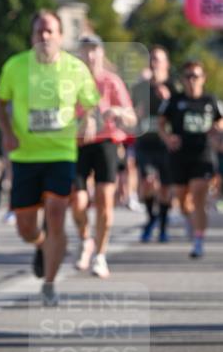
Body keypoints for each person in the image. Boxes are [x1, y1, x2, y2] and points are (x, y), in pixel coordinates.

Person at [0, 10, 99, 306]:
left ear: (60, 36)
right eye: (39, 31)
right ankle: (40, 245)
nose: (44, 36)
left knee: (56, 213)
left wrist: (89, 120)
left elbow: (91, 104)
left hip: (61, 153)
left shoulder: (75, 69)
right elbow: (0, 104)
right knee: (26, 227)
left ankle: (50, 285)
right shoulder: (15, 66)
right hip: (26, 155)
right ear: (32, 36)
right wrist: (6, 132)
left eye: (50, 31)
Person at [70, 35, 137, 278]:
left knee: (104, 200)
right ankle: (85, 238)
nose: (89, 56)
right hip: (78, 144)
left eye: (94, 50)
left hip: (106, 142)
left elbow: (132, 118)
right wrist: (81, 121)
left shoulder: (112, 81)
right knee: (77, 201)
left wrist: (118, 112)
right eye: (85, 50)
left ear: (101, 53)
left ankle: (100, 255)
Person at [158, 61, 223, 259]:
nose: (192, 80)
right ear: (182, 80)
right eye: (188, 76)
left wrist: (217, 130)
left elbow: (220, 120)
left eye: (196, 76)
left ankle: (198, 241)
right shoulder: (174, 101)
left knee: (198, 197)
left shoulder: (210, 100)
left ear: (203, 78)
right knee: (182, 199)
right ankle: (189, 220)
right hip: (179, 155)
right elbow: (161, 124)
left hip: (202, 154)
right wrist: (168, 138)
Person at [132, 47, 175, 242]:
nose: (154, 63)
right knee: (148, 183)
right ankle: (151, 218)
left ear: (166, 64)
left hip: (165, 144)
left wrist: (168, 101)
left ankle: (163, 226)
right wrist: (136, 113)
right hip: (145, 143)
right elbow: (131, 114)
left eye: (158, 60)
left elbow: (180, 116)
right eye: (151, 60)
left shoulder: (174, 89)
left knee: (165, 188)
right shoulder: (140, 88)